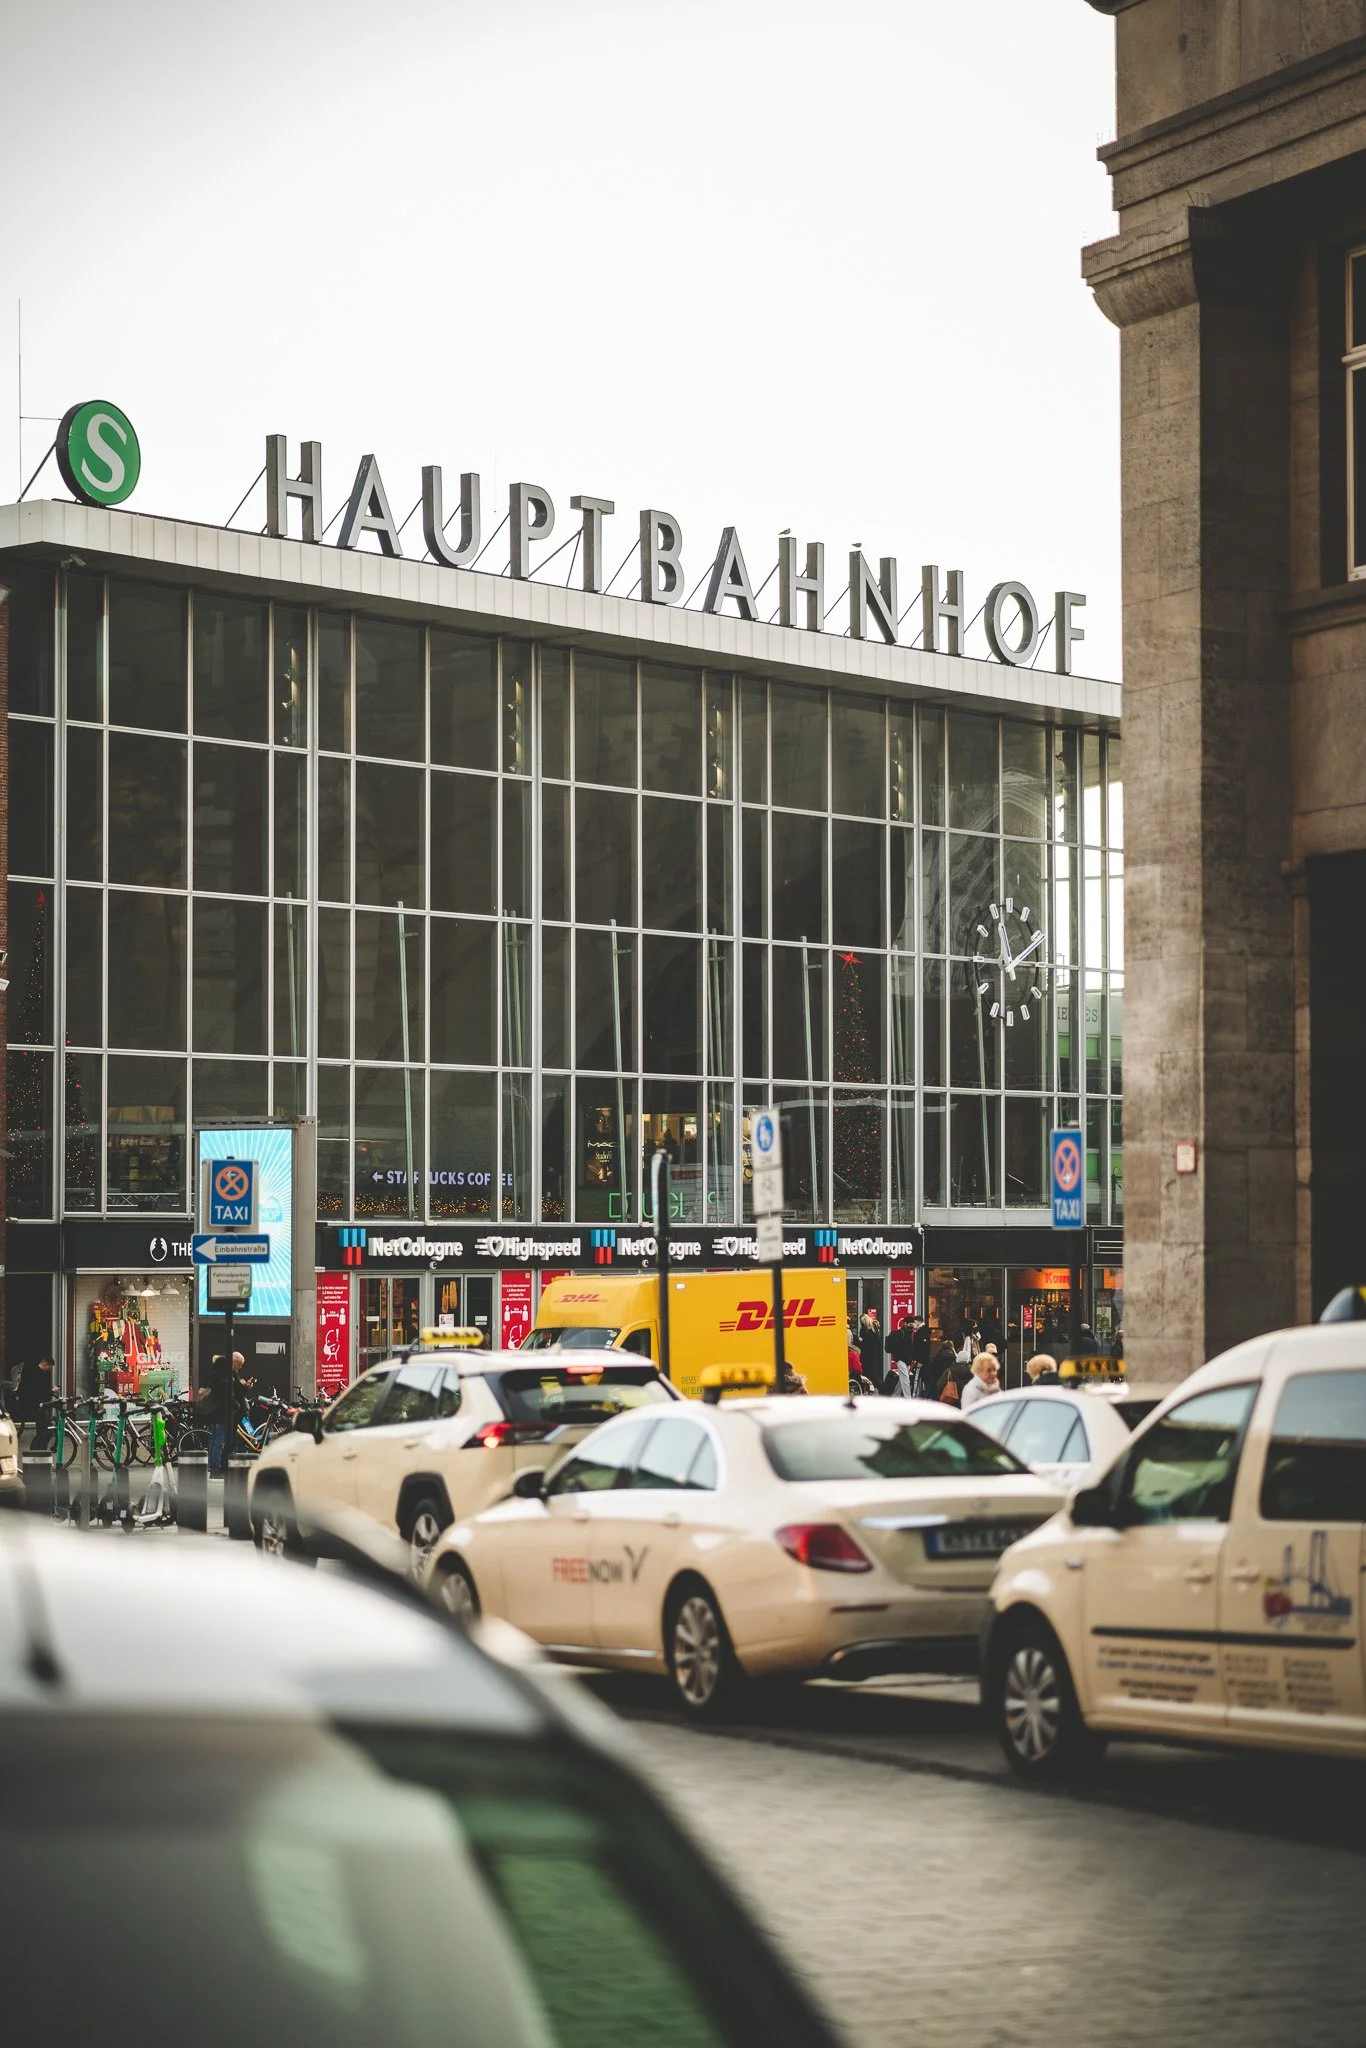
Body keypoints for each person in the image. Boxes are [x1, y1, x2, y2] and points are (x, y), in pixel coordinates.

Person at [14, 1356, 55, 1450]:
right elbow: (38, 1392)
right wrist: (51, 1391)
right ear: (44, 1364)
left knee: (43, 1431)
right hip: (37, 1406)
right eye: (49, 1368)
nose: (49, 1370)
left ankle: (39, 1450)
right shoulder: (37, 1374)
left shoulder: (35, 1373)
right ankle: (38, 1451)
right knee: (43, 1431)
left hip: (38, 1405)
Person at [960, 1345, 1001, 1412]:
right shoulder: (971, 1391)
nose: (993, 1373)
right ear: (979, 1371)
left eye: (994, 1369)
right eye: (989, 1370)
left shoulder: (995, 1389)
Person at [857, 1309, 884, 1388]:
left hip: (866, 1354)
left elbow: (863, 1342)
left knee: (867, 1373)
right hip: (874, 1353)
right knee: (873, 1373)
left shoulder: (864, 1330)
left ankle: (874, 1387)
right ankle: (879, 1387)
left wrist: (860, 1340)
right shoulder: (875, 1328)